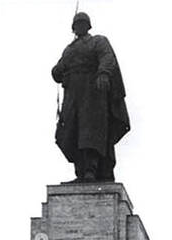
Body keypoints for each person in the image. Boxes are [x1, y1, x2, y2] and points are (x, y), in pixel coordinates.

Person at [51, 11, 129, 183]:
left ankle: (90, 171)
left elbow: (107, 57)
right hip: (72, 95)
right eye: (77, 24)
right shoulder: (69, 50)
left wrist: (103, 73)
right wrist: (56, 71)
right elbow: (58, 70)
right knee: (72, 130)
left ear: (88, 26)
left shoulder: (98, 41)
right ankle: (80, 172)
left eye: (82, 24)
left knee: (90, 132)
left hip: (92, 94)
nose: (79, 27)